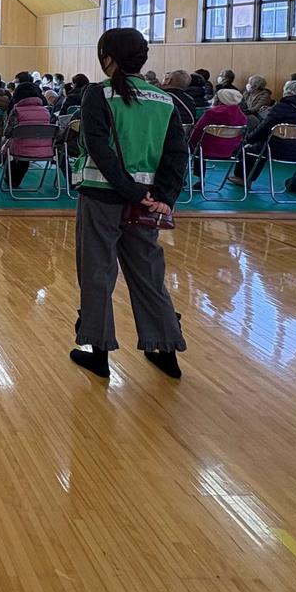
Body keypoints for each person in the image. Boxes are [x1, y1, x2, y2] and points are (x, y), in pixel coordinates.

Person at [69, 28, 188, 381]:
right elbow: (177, 153)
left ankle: (98, 352)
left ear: (107, 57)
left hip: (101, 197)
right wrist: (163, 197)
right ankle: (166, 350)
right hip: (147, 203)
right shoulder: (164, 100)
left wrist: (129, 190)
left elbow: (98, 149)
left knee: (97, 274)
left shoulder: (98, 93)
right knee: (149, 274)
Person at [235, 79, 296, 188]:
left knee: (252, 149)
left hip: (279, 150)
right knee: (260, 147)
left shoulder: (282, 107)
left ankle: (243, 179)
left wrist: (248, 139)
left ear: (289, 92)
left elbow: (264, 128)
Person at [0, 77, 54, 189]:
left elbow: (7, 133)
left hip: (19, 149)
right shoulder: (46, 111)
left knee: (7, 145)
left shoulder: (16, 111)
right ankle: (15, 180)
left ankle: (10, 179)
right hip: (44, 150)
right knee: (24, 152)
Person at [188, 87, 248, 185]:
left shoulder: (211, 113)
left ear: (221, 100)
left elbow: (197, 131)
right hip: (230, 151)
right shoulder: (242, 117)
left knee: (197, 147)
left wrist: (190, 142)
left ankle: (200, 179)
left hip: (206, 150)